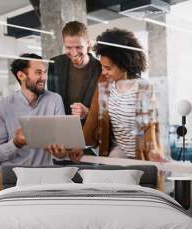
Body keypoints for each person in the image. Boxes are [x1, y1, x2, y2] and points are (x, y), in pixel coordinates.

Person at [69, 28, 165, 188]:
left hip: (139, 155)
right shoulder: (104, 84)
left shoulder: (144, 87)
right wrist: (80, 145)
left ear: (124, 65)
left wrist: (154, 151)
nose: (104, 72)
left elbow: (150, 126)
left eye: (109, 68)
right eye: (102, 67)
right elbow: (92, 119)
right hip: (114, 154)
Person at [0, 53, 67, 193]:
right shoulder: (3, 107)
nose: (44, 77)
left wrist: (61, 152)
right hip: (13, 179)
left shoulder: (55, 100)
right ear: (21, 75)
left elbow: (61, 147)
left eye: (44, 72)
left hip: (45, 178)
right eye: (38, 72)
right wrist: (15, 143)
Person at [47, 21, 102, 121]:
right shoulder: (55, 64)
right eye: (68, 47)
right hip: (61, 128)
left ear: (88, 44)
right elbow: (50, 99)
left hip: (88, 131)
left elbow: (108, 111)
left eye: (78, 47)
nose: (74, 53)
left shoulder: (101, 69)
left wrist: (89, 113)